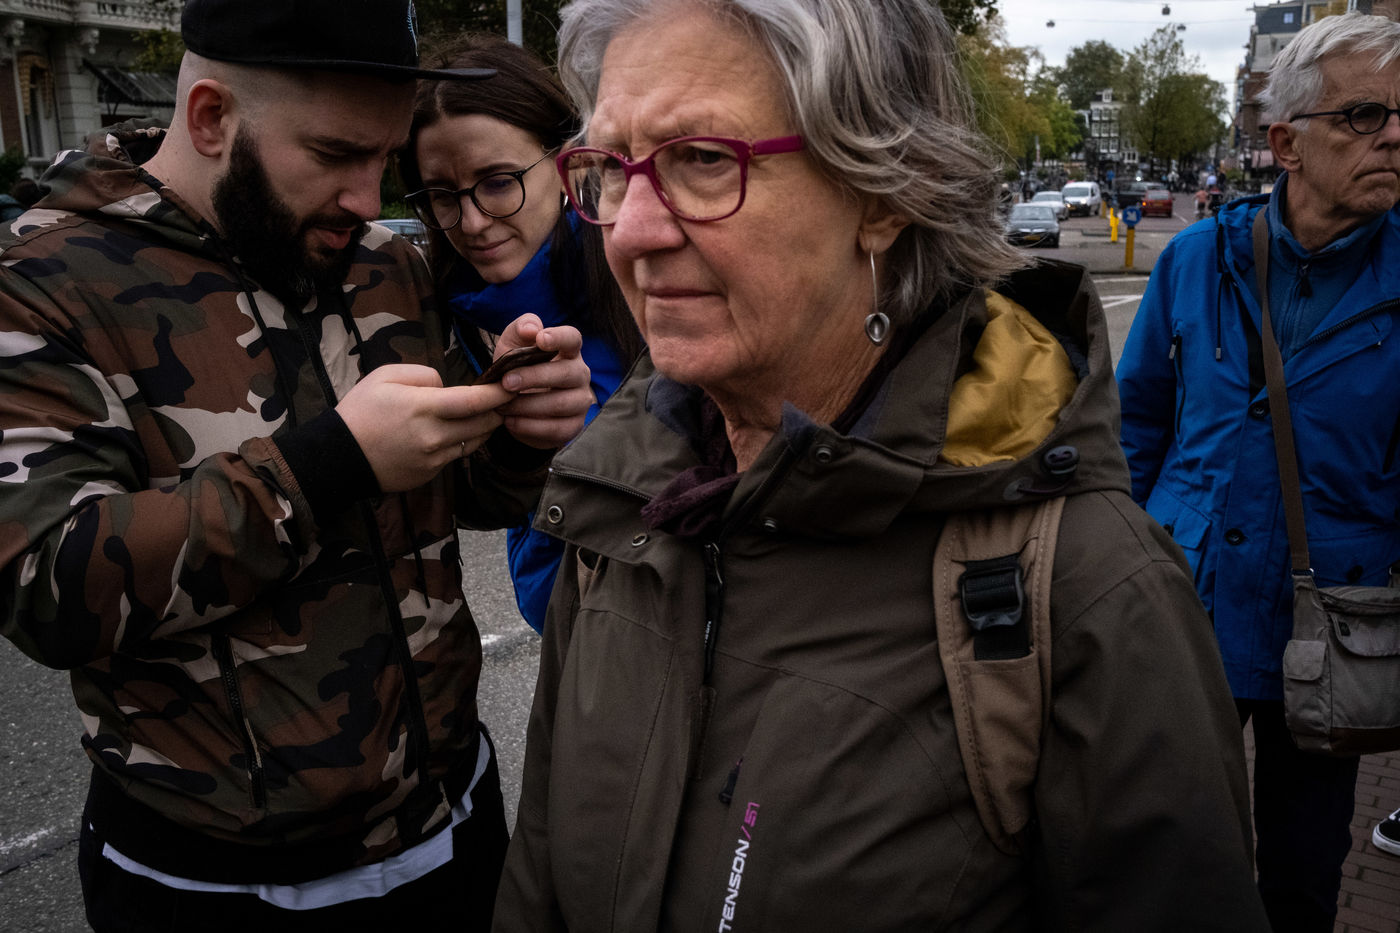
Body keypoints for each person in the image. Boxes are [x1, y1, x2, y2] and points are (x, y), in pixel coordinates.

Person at [492, 0, 1268, 929]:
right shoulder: (616, 507)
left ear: (884, 194)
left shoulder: (1088, 590)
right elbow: (538, 877)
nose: (629, 230)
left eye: (702, 160)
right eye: (612, 170)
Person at [0, 1, 593, 930]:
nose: (366, 200)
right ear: (210, 117)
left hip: (453, 825)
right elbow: (46, 585)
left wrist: (518, 431)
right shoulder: (43, 284)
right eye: (334, 155)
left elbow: (455, 494)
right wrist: (329, 464)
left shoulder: (380, 265)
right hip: (214, 886)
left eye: (382, 160)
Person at [1116, 12, 1400, 932]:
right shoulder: (1197, 258)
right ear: (1285, 143)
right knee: (1159, 849)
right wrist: (1118, 574)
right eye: (1364, 115)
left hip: (1331, 627)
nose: (1393, 136)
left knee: (1302, 875)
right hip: (1185, 601)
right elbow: (1136, 425)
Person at [399, 33, 643, 633]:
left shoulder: (650, 282)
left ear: (566, 165)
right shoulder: (437, 316)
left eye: (498, 181)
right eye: (442, 195)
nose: (472, 222)